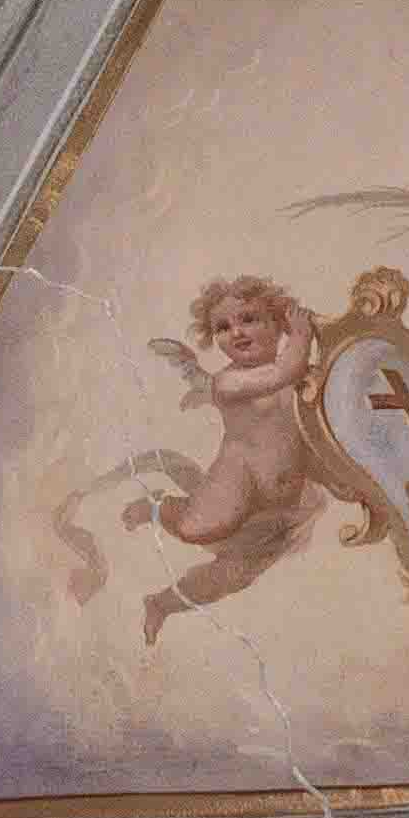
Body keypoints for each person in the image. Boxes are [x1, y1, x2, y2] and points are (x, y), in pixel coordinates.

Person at [139, 275, 322, 643]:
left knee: (234, 577)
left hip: (280, 502)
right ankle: (157, 506)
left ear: (277, 322)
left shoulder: (299, 373)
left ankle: (162, 603)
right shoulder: (229, 382)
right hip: (237, 483)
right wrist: (302, 337)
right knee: (195, 528)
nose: (236, 332)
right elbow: (282, 373)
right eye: (222, 327)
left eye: (249, 319)